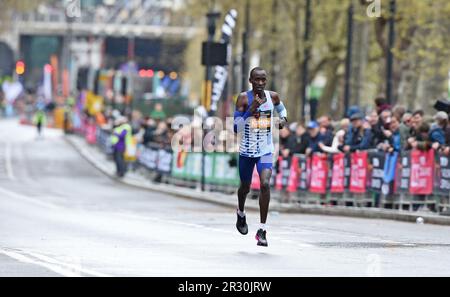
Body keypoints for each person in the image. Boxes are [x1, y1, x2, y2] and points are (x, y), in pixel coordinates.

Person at [233, 67, 288, 247]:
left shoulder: (273, 97)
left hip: (265, 150)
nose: (261, 83)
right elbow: (236, 128)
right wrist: (251, 109)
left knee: (265, 183)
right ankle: (241, 213)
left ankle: (262, 230)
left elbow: (283, 111)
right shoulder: (243, 98)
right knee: (245, 188)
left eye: (263, 79)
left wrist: (283, 120)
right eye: (257, 80)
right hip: (247, 152)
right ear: (250, 80)